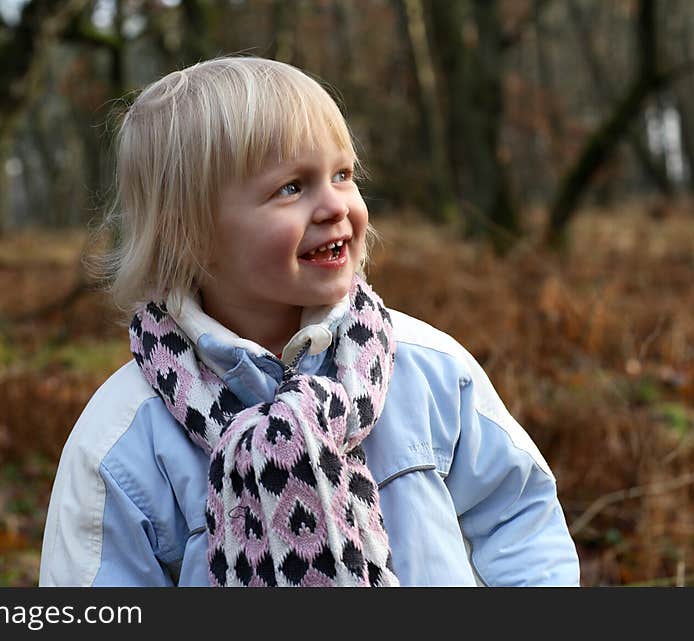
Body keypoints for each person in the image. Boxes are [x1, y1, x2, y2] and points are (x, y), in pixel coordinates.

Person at [38, 56, 580, 587]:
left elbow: (518, 516)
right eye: (291, 187)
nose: (334, 206)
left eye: (343, 174)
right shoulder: (126, 439)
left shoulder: (426, 369)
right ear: (190, 232)